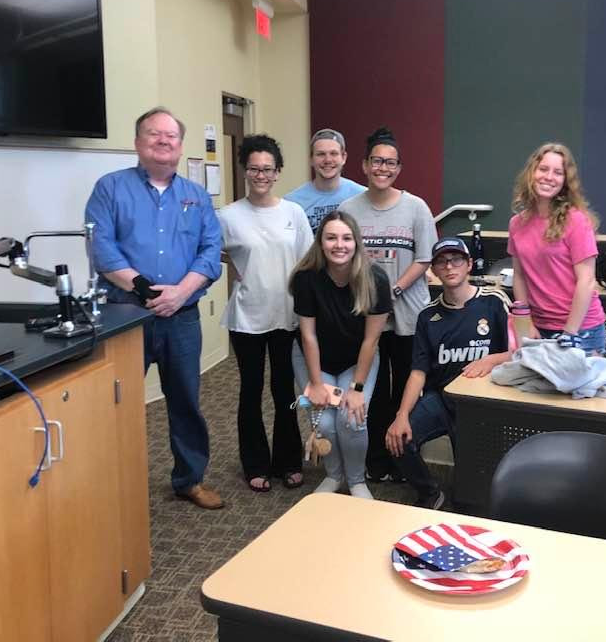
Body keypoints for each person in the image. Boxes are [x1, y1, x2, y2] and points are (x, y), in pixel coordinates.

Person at [86, 106, 224, 509]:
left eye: (171, 135)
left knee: (186, 402)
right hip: (126, 316)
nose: (163, 140)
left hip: (182, 318)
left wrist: (180, 293)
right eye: (154, 133)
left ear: (180, 146)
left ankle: (189, 480)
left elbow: (210, 251)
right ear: (137, 142)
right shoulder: (110, 188)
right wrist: (145, 290)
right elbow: (101, 247)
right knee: (118, 403)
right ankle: (113, 485)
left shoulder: (196, 196)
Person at [338, 126, 438, 484]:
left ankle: (403, 459)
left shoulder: (416, 208)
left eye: (391, 163)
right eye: (377, 161)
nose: (383, 168)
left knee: (406, 391)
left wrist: (392, 289)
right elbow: (342, 257)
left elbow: (424, 258)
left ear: (399, 168)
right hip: (367, 319)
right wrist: (371, 297)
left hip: (408, 316)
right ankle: (377, 459)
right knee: (375, 390)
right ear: (365, 165)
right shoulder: (348, 209)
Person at [385, 237, 512, 509]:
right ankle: (430, 493)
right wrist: (401, 415)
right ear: (433, 270)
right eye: (442, 262)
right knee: (399, 439)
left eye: (456, 260)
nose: (450, 267)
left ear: (469, 265)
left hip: (480, 404)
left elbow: (519, 352)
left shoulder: (494, 301)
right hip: (441, 399)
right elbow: (418, 372)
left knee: (471, 498)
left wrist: (492, 359)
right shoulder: (427, 316)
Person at [219, 134, 313, 493]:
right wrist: (236, 265)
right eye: (254, 169)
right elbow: (210, 252)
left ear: (277, 173)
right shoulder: (228, 216)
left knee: (284, 389)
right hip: (247, 318)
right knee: (251, 391)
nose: (261, 175)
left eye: (268, 169)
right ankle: (255, 464)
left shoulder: (293, 213)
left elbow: (307, 261)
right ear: (245, 170)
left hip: (286, 315)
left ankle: (288, 461)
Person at [289, 210, 391, 498]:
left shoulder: (376, 279)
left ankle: (356, 480)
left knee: (352, 418)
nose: (339, 245)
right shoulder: (306, 278)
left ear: (356, 242)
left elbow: (371, 340)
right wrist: (316, 384)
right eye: (331, 238)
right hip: (313, 359)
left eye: (346, 238)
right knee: (324, 421)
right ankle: (334, 475)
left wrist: (356, 389)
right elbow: (308, 336)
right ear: (321, 243)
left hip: (356, 361)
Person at [506, 142, 606, 355]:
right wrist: (526, 321)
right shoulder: (517, 223)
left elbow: (587, 281)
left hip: (580, 330)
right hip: (538, 327)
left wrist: (570, 332)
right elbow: (520, 276)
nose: (549, 177)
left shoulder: (577, 221)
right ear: (532, 172)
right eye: (543, 169)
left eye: (558, 173)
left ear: (565, 181)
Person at [284, 128, 366, 232]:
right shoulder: (292, 202)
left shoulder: (362, 195)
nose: (328, 160)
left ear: (344, 157)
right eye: (321, 154)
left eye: (334, 153)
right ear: (311, 159)